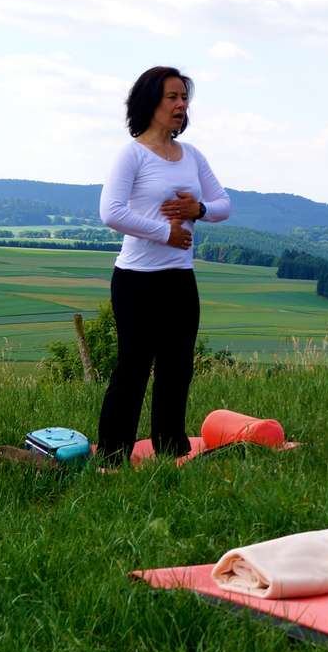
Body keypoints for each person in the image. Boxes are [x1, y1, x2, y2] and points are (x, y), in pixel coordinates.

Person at [96, 66, 231, 464]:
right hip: (136, 280)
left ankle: (171, 449)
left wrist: (199, 208)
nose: (181, 105)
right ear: (150, 102)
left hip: (179, 280)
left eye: (183, 98)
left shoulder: (192, 155)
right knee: (133, 369)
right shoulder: (132, 153)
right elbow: (111, 212)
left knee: (178, 367)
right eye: (172, 97)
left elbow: (224, 205)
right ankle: (113, 456)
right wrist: (164, 232)